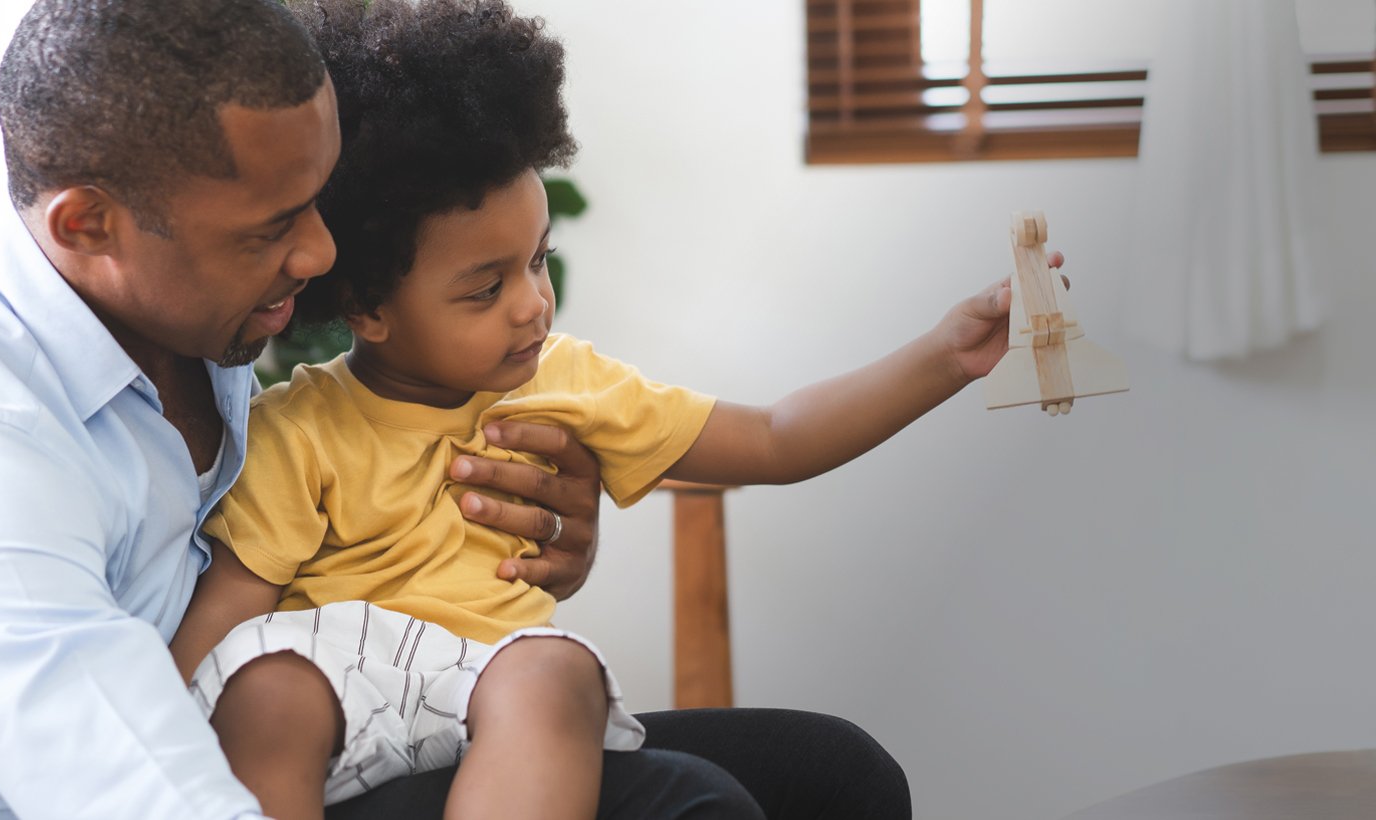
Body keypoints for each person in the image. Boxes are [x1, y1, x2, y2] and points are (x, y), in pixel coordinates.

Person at [0, 0, 911, 818]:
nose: (324, 256)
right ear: (87, 224)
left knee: (836, 777)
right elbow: (141, 793)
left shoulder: (191, 298)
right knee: (690, 806)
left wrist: (535, 529)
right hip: (180, 784)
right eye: (272, 226)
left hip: (324, 715)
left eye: (318, 201)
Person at [171, 1, 1059, 819]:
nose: (533, 304)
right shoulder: (302, 429)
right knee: (264, 687)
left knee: (557, 670)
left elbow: (777, 437)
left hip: (490, 701)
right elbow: (223, 619)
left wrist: (947, 357)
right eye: (485, 289)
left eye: (536, 261)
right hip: (340, 705)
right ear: (365, 308)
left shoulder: (569, 382)